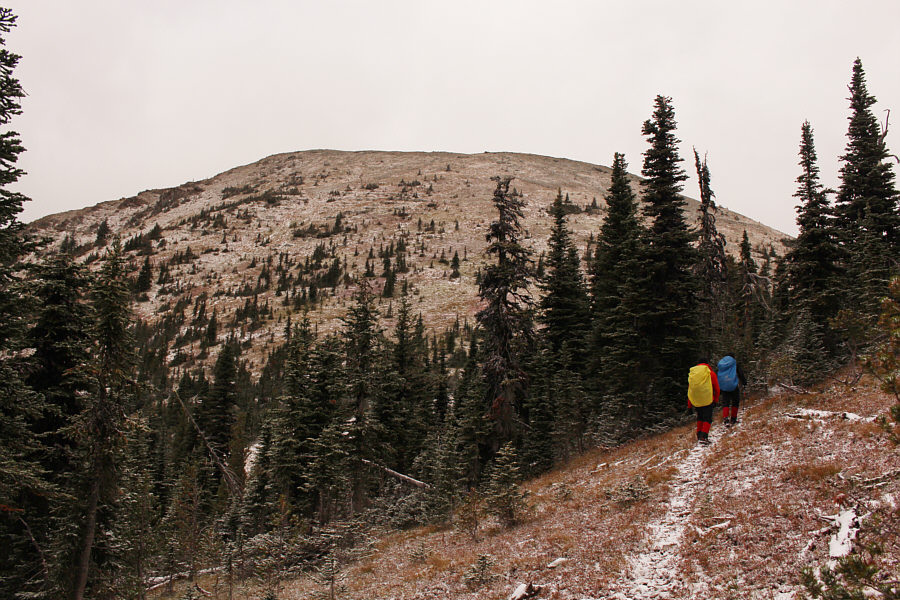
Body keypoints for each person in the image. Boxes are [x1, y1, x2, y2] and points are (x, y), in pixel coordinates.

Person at [688, 358, 719, 445]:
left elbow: (690, 390)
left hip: (696, 400)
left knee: (700, 417)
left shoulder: (693, 375)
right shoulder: (710, 373)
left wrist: (689, 406)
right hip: (708, 399)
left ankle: (699, 435)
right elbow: (717, 388)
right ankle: (703, 436)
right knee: (707, 418)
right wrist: (715, 400)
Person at [716, 353, 747, 427]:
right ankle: (733, 419)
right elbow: (740, 373)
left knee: (725, 402)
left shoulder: (722, 364)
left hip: (724, 385)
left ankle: (726, 419)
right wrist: (744, 382)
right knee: (735, 401)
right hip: (733, 384)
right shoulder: (734, 363)